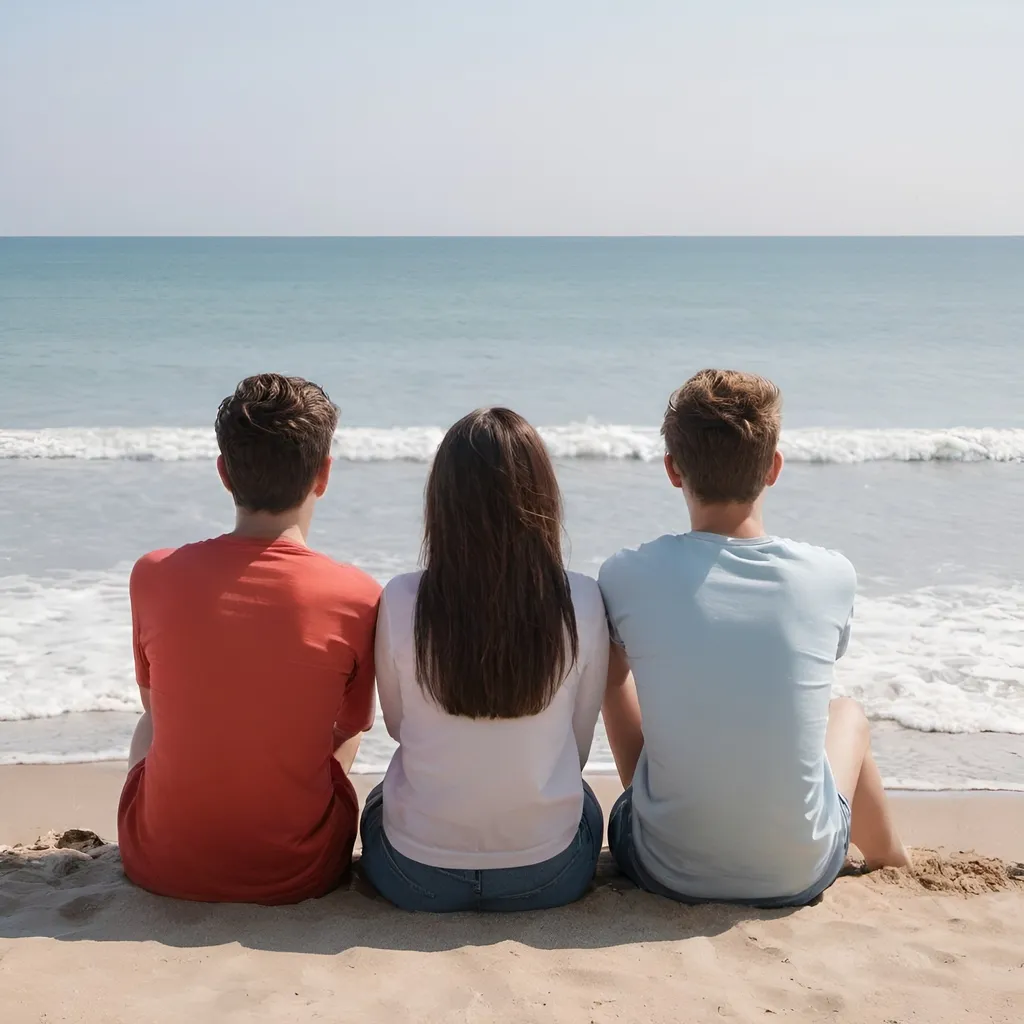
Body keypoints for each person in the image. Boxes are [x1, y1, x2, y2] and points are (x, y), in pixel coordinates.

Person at [599, 369, 910, 908]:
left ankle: (666, 817)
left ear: (673, 470)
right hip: (798, 873)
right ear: (774, 468)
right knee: (847, 714)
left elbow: (612, 682)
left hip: (661, 866)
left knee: (620, 675)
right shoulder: (829, 574)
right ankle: (892, 859)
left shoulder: (628, 574)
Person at [118, 374, 380, 904]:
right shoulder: (357, 595)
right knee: (336, 721)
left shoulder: (154, 574)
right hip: (300, 870)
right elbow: (353, 724)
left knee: (156, 715)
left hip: (160, 861)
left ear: (223, 473)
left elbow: (155, 705)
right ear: (324, 474)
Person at [359, 408, 608, 912]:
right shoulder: (579, 599)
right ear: (543, 497)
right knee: (587, 804)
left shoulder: (404, 598)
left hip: (416, 875)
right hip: (548, 873)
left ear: (441, 502)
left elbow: (398, 726)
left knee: (378, 802)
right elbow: (577, 748)